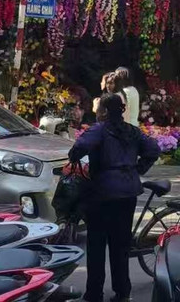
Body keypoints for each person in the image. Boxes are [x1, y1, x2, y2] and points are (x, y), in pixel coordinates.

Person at [69, 93, 161, 302]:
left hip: (101, 194)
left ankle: (94, 294)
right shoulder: (132, 131)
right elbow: (153, 149)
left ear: (103, 111)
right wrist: (138, 168)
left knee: (96, 245)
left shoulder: (99, 130)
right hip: (127, 193)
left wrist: (76, 157)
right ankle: (122, 292)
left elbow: (78, 149)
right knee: (121, 246)